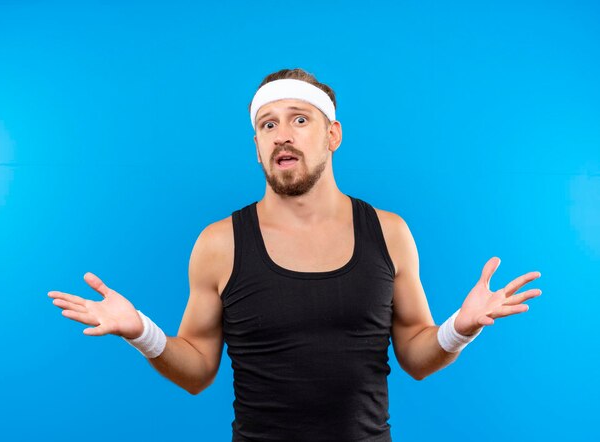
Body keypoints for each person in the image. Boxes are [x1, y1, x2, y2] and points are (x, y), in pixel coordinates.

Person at [48, 68, 542, 442]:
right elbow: (197, 371)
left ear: (332, 135)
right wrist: (141, 331)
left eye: (299, 119)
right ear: (257, 147)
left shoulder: (389, 233)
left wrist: (462, 327)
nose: (281, 134)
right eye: (267, 125)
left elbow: (415, 353)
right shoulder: (218, 244)